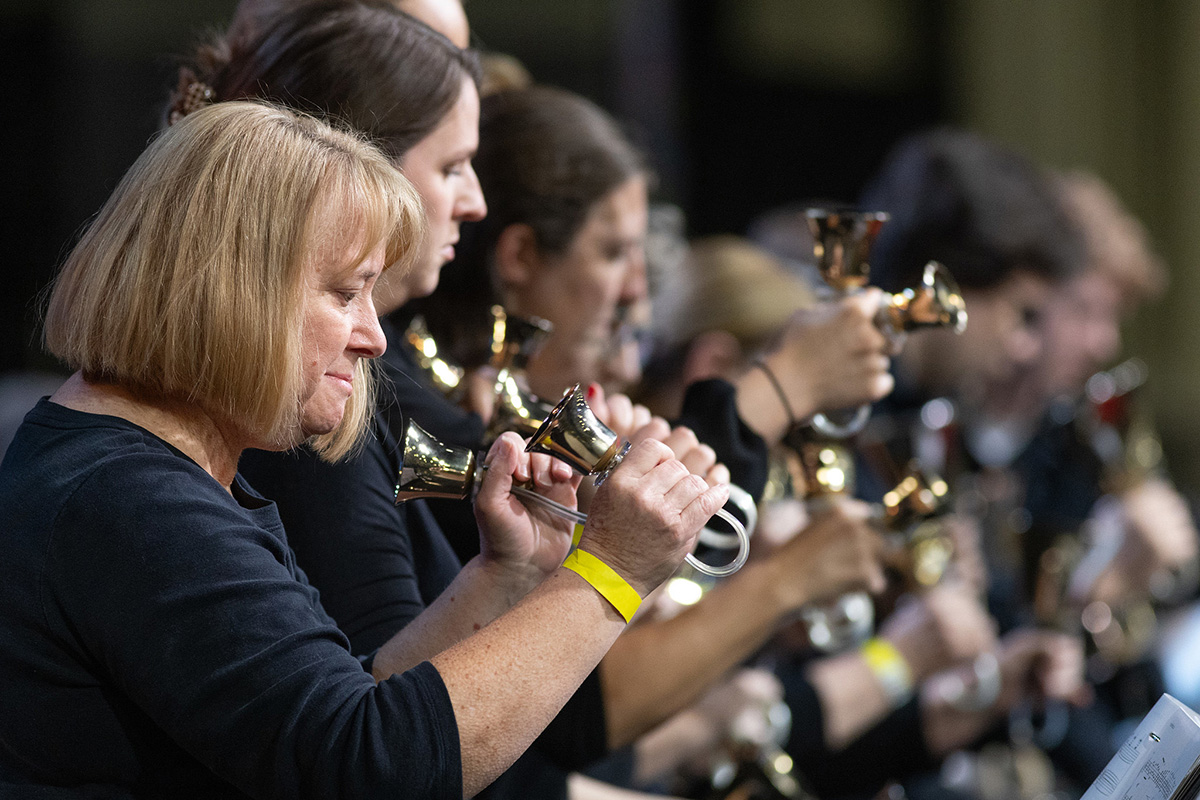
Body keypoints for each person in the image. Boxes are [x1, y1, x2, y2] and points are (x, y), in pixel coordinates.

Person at [0, 100, 725, 798]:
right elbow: (367, 768)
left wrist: (502, 577)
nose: (374, 338)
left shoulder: (147, 472)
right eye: (347, 293)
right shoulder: (130, 500)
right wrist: (611, 570)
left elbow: (339, 709)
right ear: (235, 289)